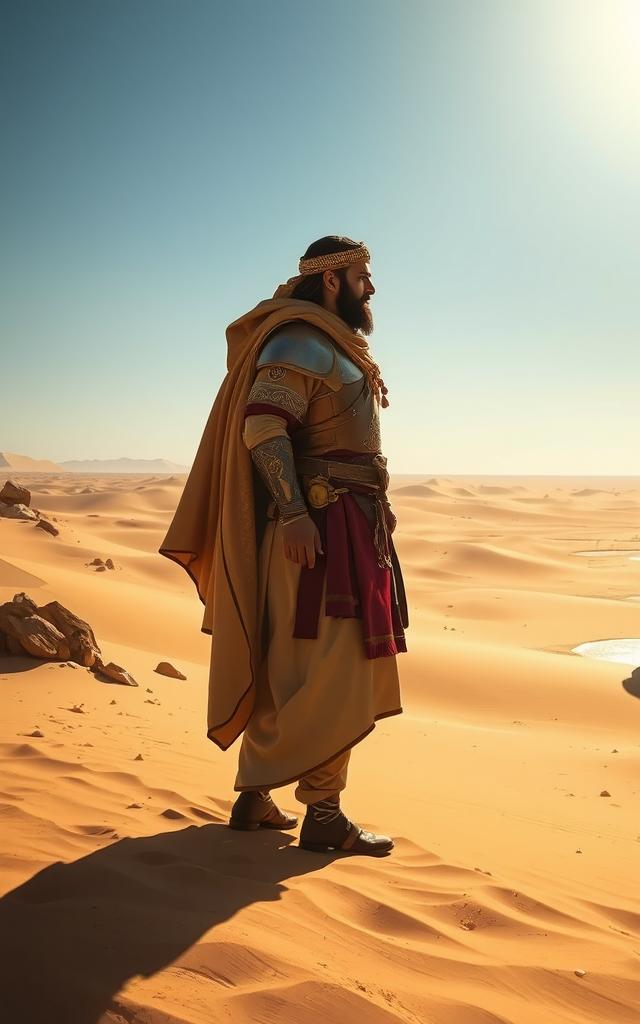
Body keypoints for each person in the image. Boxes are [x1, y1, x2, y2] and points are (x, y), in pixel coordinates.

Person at [160, 235, 408, 855]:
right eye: (361, 275)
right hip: (318, 537)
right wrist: (295, 512)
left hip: (348, 526)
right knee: (334, 671)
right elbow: (264, 427)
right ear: (330, 280)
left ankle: (254, 798)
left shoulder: (332, 343)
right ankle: (324, 814)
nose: (370, 286)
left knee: (290, 669)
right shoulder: (299, 341)